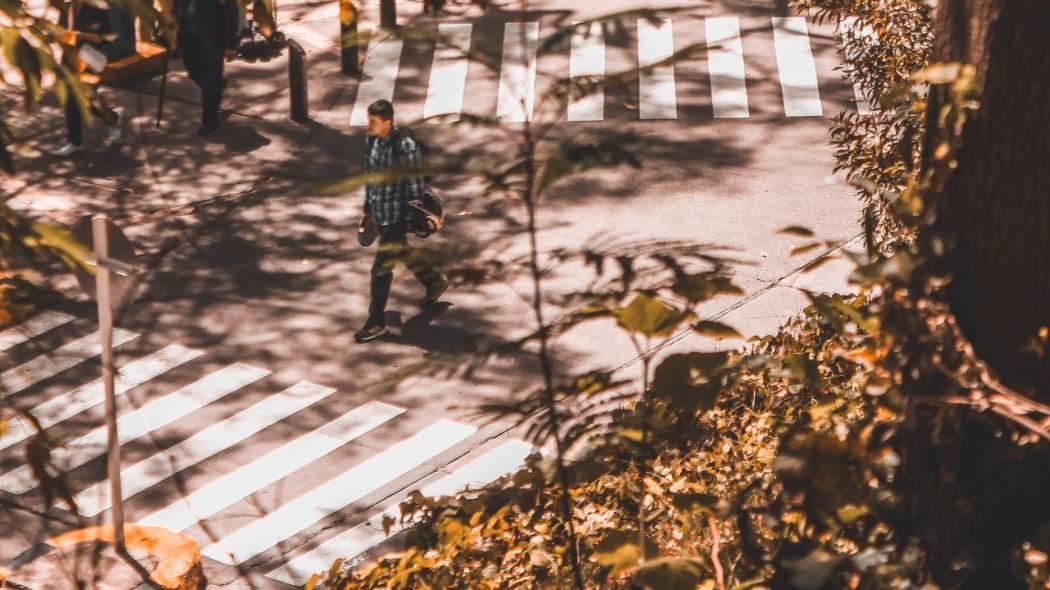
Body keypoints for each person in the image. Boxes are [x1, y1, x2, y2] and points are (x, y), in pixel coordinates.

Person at [355, 99, 449, 343]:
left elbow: (415, 186)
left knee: (380, 269)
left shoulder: (405, 147)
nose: (370, 125)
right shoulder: (371, 139)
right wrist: (368, 210)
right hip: (381, 211)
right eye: (369, 120)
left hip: (397, 215)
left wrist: (415, 217)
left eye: (374, 122)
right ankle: (434, 281)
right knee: (402, 251)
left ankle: (376, 322)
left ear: (388, 122)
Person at [53, 0, 135, 156]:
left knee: (85, 98)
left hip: (91, 58)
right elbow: (61, 30)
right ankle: (75, 141)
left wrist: (82, 35)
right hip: (70, 59)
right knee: (70, 100)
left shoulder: (98, 9)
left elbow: (108, 37)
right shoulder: (66, 8)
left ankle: (112, 117)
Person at [176, 0, 239, 135]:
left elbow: (231, 14)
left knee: (210, 81)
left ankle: (210, 121)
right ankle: (218, 84)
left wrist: (230, 45)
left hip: (213, 41)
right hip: (189, 38)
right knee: (193, 72)